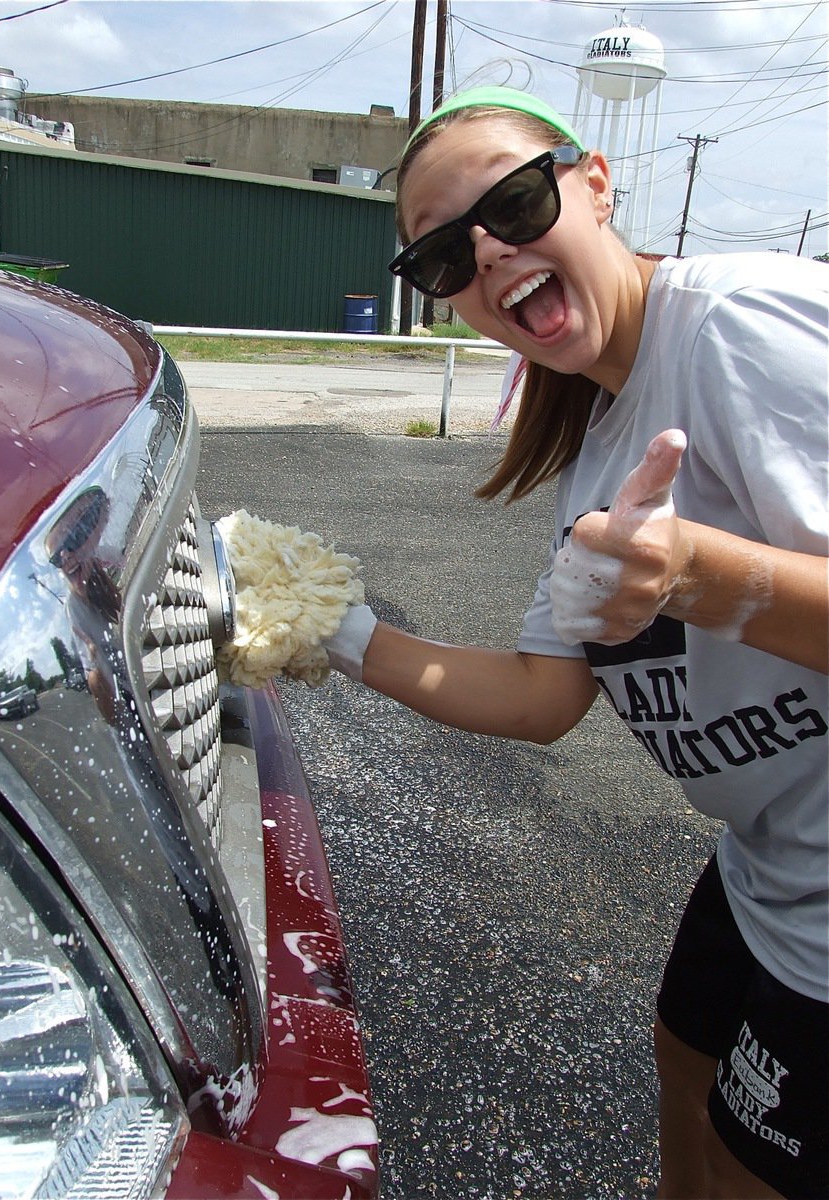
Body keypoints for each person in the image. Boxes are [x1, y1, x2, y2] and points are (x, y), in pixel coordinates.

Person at [320, 85, 829, 1198]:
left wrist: (701, 575)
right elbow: (545, 698)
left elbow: (704, 580)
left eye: (510, 202)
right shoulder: (597, 437)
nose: (487, 253)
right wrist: (333, 633)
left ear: (593, 183)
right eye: (443, 258)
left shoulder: (737, 327)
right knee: (682, 1076)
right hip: (762, 866)